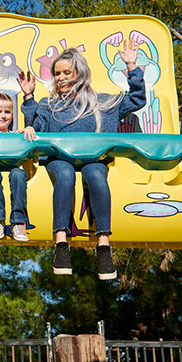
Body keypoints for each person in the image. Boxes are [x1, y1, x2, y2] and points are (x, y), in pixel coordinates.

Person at [18, 40, 145, 280]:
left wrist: (131, 67)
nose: (61, 78)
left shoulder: (102, 102)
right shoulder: (49, 105)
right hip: (59, 158)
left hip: (92, 158)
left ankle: (104, 245)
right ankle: (61, 245)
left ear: (80, 73)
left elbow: (137, 100)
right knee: (65, 174)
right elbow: (36, 129)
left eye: (67, 72)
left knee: (96, 174)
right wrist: (29, 98)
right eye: (57, 73)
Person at [0, 90, 37, 241]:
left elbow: (28, 142)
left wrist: (29, 128)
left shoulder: (16, 134)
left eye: (7, 112)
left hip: (15, 169)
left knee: (18, 174)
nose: (3, 115)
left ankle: (18, 222)